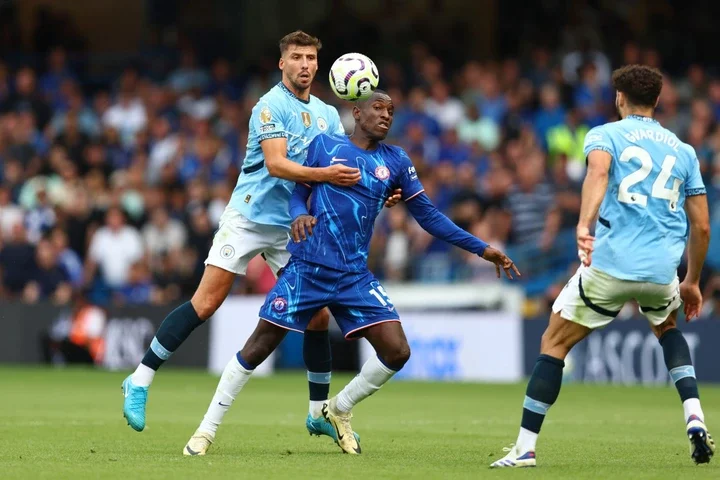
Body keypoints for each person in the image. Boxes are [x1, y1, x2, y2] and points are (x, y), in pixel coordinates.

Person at [182, 90, 520, 456]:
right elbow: (299, 192)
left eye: (391, 110)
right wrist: (298, 214)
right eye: (378, 108)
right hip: (308, 267)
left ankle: (338, 408)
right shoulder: (325, 147)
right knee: (258, 346)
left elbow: (428, 215)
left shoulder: (397, 161)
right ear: (356, 113)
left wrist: (481, 248)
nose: (387, 115)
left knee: (397, 352)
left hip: (354, 275)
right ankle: (205, 430)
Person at [122, 31, 401, 443]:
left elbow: (346, 164)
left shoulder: (327, 114)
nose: (305, 64)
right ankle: (140, 379)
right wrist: (325, 175)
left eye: (310, 58)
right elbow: (276, 164)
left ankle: (317, 412)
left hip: (294, 224)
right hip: (251, 215)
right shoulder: (269, 106)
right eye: (296, 57)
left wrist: (382, 191)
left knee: (318, 315)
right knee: (207, 302)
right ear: (282, 64)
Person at [491, 65, 715, 468]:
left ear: (618, 98)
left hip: (610, 265)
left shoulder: (605, 134)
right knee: (667, 329)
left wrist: (582, 223)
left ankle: (525, 447)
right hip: (662, 271)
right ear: (659, 101)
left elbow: (597, 173)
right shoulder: (684, 151)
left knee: (554, 343)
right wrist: (692, 280)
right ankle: (694, 414)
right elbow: (701, 225)